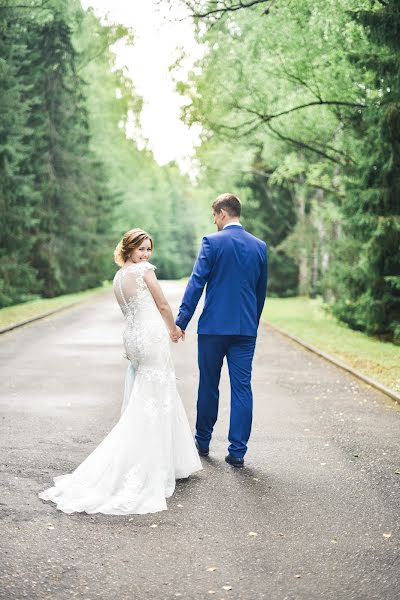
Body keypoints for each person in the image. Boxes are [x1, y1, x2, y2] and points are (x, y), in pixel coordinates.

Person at [38, 228, 202, 515]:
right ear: (129, 248)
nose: (146, 255)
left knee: (150, 395)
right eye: (141, 249)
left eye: (149, 249)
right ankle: (148, 462)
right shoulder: (143, 271)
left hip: (134, 337)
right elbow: (162, 304)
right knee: (155, 397)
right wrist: (174, 329)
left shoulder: (118, 277)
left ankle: (171, 460)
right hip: (150, 336)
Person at [176, 193, 268, 468]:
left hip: (213, 328)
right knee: (242, 388)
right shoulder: (259, 246)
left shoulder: (212, 242)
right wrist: (252, 321)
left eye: (214, 216)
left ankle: (202, 442)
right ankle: (238, 451)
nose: (214, 221)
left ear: (221, 213)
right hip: (245, 330)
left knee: (208, 384)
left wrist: (181, 321)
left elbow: (196, 284)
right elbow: (259, 293)